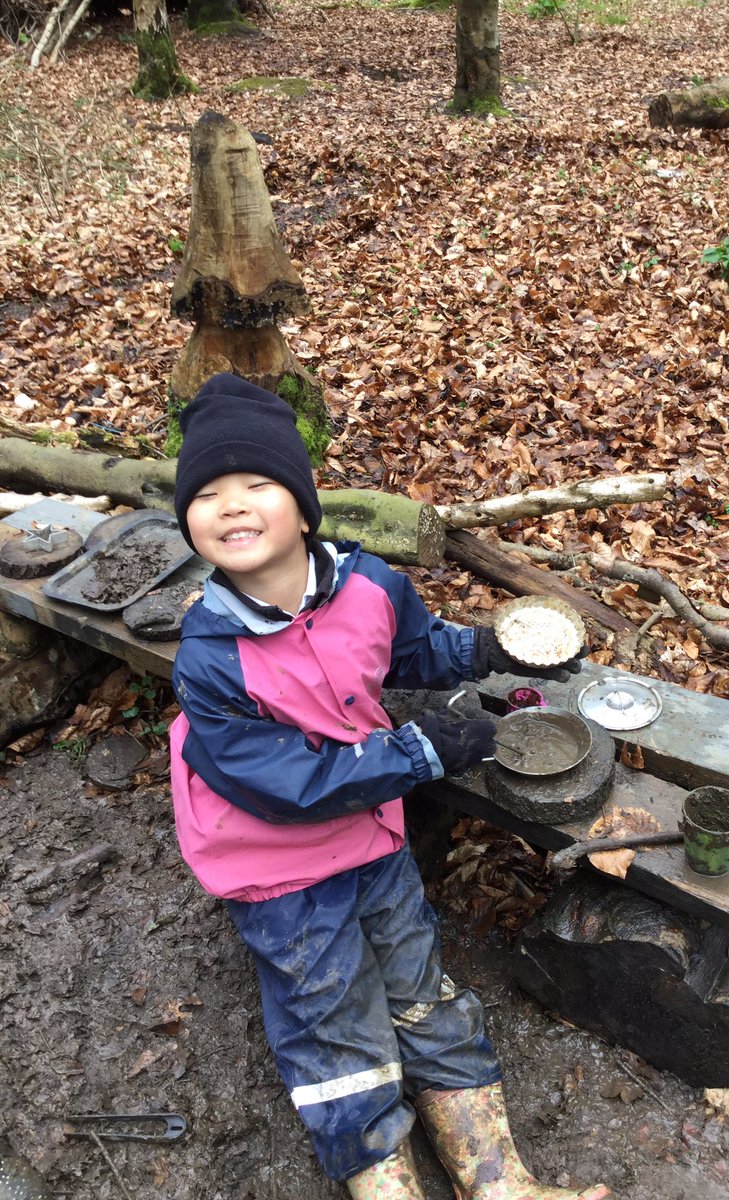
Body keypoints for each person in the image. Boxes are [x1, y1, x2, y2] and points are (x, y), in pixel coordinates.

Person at [169, 373, 612, 1200]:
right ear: (189, 521)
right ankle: (383, 1179)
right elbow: (285, 787)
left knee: (417, 979)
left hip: (369, 833)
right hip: (276, 867)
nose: (233, 504)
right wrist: (420, 754)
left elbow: (412, 652)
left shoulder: (368, 583)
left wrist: (487, 650)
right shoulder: (210, 658)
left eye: (258, 482)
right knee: (331, 1014)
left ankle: (498, 1177)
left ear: (303, 507)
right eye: (208, 492)